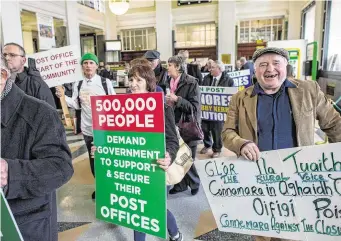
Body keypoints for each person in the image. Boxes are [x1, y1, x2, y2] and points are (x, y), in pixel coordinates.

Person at [222, 47, 341, 241]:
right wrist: (241, 144)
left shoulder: (309, 90)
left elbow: (334, 124)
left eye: (276, 63)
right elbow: (227, 133)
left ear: (286, 66)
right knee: (262, 232)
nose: (270, 69)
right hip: (259, 179)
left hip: (299, 179)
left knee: (295, 231)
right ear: (255, 70)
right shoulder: (240, 98)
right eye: (263, 65)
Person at [92, 58, 184, 241]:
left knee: (157, 207)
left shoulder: (163, 107)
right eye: (131, 80)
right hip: (133, 168)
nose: (133, 85)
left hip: (155, 167)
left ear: (149, 84)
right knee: (137, 211)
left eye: (138, 81)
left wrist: (169, 156)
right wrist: (101, 149)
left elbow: (172, 140)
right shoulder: (122, 107)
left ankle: (175, 233)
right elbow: (114, 137)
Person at [0, 53, 74, 241]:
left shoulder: (40, 113)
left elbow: (61, 167)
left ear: (2, 76)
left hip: (25, 226)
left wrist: (10, 173)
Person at [56, 53, 115, 199]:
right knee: (93, 159)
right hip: (88, 129)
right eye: (85, 63)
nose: (88, 65)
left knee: (107, 159)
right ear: (82, 66)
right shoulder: (79, 84)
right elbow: (76, 104)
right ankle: (100, 186)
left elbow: (114, 103)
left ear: (96, 65)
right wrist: (63, 96)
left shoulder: (105, 82)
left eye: (91, 63)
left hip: (104, 129)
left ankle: (111, 188)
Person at [166, 55, 202, 196]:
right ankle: (181, 185)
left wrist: (177, 99)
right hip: (174, 125)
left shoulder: (192, 82)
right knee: (178, 156)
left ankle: (195, 183)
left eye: (169, 65)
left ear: (178, 67)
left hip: (188, 126)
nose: (167, 68)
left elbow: (194, 107)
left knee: (187, 158)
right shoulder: (169, 81)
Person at [3, 42, 56, 108]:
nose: (7, 58)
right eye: (4, 55)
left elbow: (50, 114)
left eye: (12, 55)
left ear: (23, 60)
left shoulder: (36, 84)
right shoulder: (2, 82)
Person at [200, 60, 234, 158]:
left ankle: (217, 149)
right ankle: (207, 144)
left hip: (219, 111)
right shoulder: (206, 78)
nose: (210, 69)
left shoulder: (228, 80)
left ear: (219, 69)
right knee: (204, 128)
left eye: (213, 67)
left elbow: (231, 96)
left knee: (217, 130)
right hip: (206, 109)